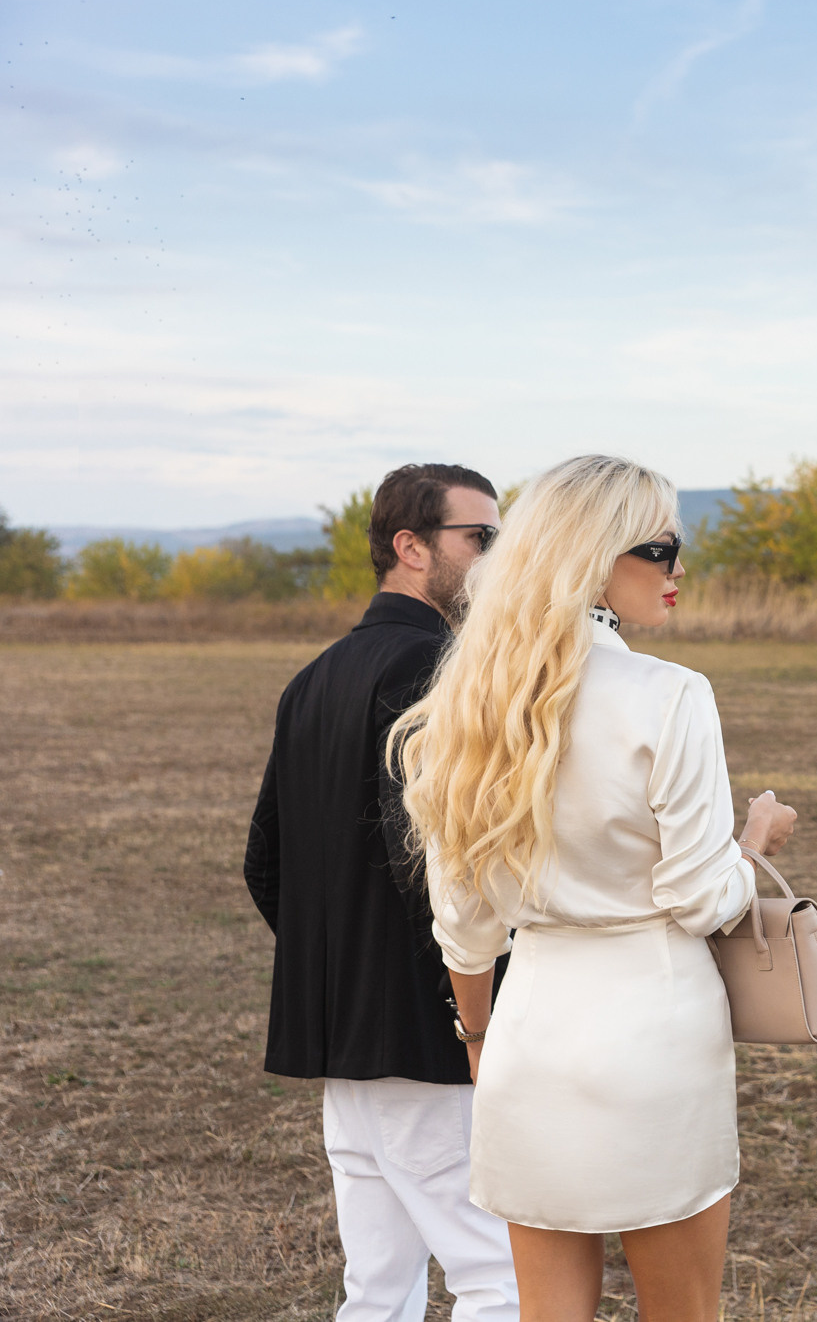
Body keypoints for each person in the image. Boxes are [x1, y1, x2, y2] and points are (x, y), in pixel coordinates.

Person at [389, 454, 797, 1322]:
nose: (678, 566)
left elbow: (461, 923)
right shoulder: (671, 695)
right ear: (597, 554)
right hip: (656, 1039)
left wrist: (478, 1036)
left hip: (530, 1039)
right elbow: (700, 895)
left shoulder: (474, 699)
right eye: (661, 546)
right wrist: (753, 843)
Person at [244, 463, 519, 1322]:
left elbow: (266, 865)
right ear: (411, 547)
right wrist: (465, 1003)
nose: (498, 559)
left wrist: (341, 973)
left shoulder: (312, 678)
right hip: (431, 1039)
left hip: (344, 1043)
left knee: (377, 1290)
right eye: (481, 539)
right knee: (501, 1278)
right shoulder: (443, 668)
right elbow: (443, 871)